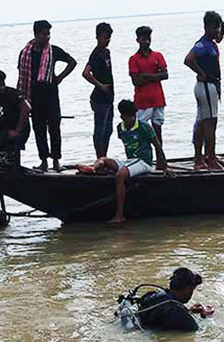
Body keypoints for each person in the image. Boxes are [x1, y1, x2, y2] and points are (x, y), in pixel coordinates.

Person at [93, 100, 169, 223]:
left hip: (144, 162)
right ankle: (92, 169)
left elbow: (157, 146)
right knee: (103, 160)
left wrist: (164, 166)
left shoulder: (144, 127)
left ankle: (120, 215)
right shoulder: (120, 128)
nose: (128, 119)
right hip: (130, 161)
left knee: (120, 176)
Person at [17, 19, 77, 172]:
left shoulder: (53, 51)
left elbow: (72, 62)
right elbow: (21, 75)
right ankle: (43, 162)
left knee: (54, 129)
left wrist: (60, 77)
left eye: (49, 34)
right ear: (36, 34)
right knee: (39, 130)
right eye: (44, 34)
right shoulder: (25, 53)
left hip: (51, 96)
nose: (47, 37)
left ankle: (56, 162)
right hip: (34, 97)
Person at [118, 267, 214, 332]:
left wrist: (188, 311)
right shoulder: (177, 312)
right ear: (187, 288)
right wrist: (205, 317)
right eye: (192, 289)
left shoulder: (156, 295)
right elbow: (198, 332)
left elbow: (160, 317)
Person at [185, 11, 223, 170]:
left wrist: (221, 29)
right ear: (208, 27)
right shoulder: (203, 44)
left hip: (210, 86)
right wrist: (200, 72)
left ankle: (201, 157)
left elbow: (221, 35)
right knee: (209, 123)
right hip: (206, 86)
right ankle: (209, 158)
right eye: (216, 28)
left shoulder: (212, 42)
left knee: (202, 122)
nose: (218, 31)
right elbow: (188, 60)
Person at [129, 26, 168, 147]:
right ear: (138, 40)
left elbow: (165, 75)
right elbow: (136, 81)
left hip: (158, 98)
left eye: (148, 38)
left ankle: (160, 156)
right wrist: (155, 75)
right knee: (141, 130)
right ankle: (143, 156)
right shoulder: (133, 59)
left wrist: (145, 76)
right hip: (142, 101)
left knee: (158, 129)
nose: (146, 41)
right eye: (143, 39)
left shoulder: (158, 55)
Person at [82, 22, 115, 159]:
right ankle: (100, 159)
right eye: (104, 37)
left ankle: (104, 157)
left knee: (108, 130)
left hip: (109, 98)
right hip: (99, 99)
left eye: (109, 37)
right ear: (98, 37)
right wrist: (99, 85)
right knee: (99, 131)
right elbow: (86, 73)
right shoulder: (96, 54)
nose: (107, 40)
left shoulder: (106, 52)